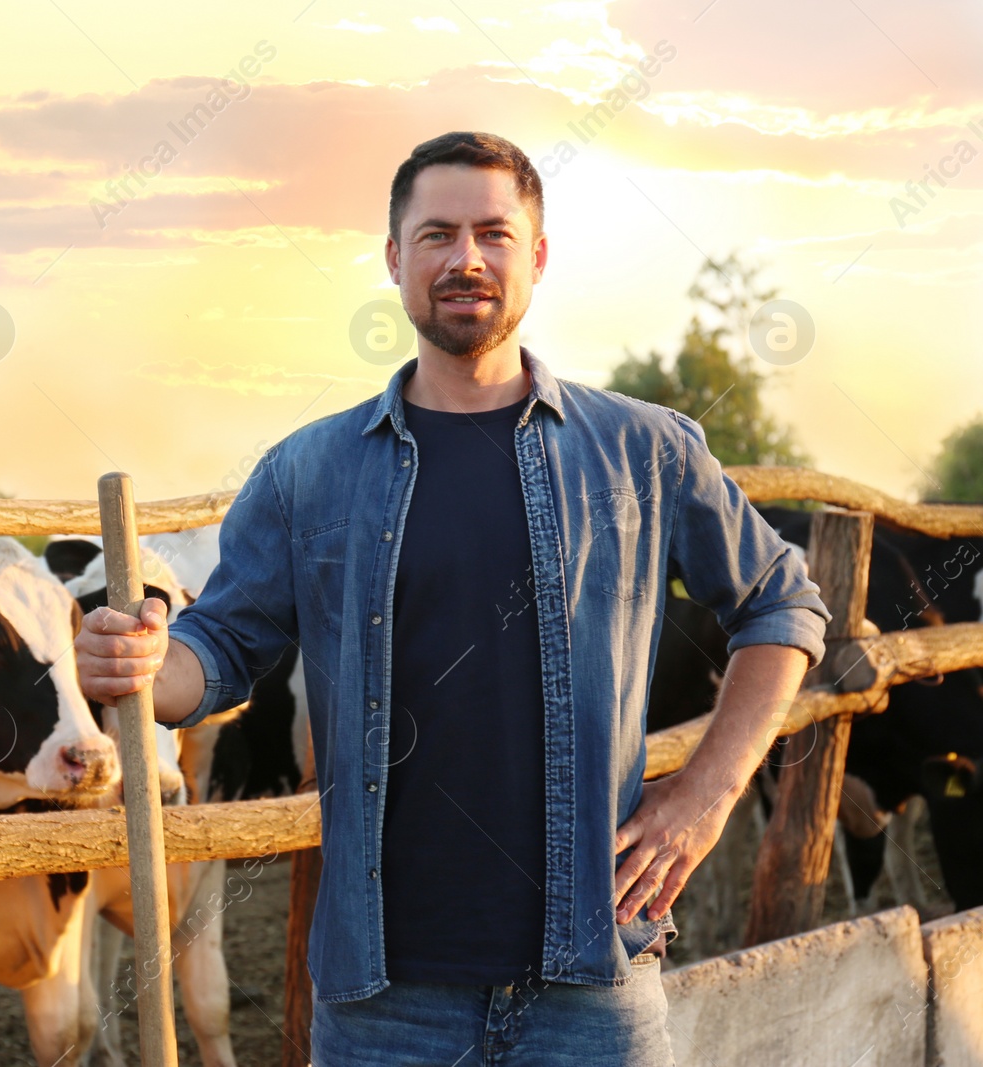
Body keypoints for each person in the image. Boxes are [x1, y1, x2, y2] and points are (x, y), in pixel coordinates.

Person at [73, 131, 829, 1066]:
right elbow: (217, 652)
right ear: (394, 259)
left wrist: (708, 794)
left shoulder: (643, 450)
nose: (465, 258)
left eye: (493, 233)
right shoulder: (309, 471)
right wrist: (143, 659)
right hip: (385, 1005)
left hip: (593, 986)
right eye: (435, 234)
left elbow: (782, 604)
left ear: (537, 257)